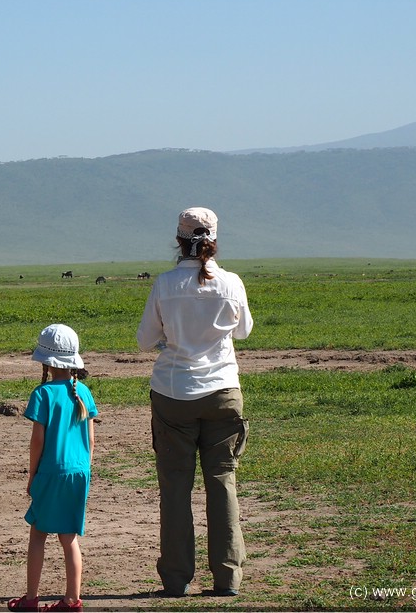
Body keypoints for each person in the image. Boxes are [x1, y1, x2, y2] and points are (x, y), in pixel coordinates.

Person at [136, 207, 253, 598]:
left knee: (174, 488)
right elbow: (245, 329)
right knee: (222, 482)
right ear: (214, 239)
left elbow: (144, 340)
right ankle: (228, 577)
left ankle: (175, 578)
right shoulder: (232, 282)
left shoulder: (166, 284)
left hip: (173, 393)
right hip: (223, 392)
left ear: (179, 239)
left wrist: (174, 337)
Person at [8, 324, 99, 613]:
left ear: (46, 362)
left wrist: (32, 474)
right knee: (69, 538)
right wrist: (86, 470)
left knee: (38, 534)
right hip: (79, 472)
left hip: (51, 471)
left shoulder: (43, 393)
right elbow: (92, 440)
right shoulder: (83, 391)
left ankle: (31, 600)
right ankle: (72, 601)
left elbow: (38, 440)